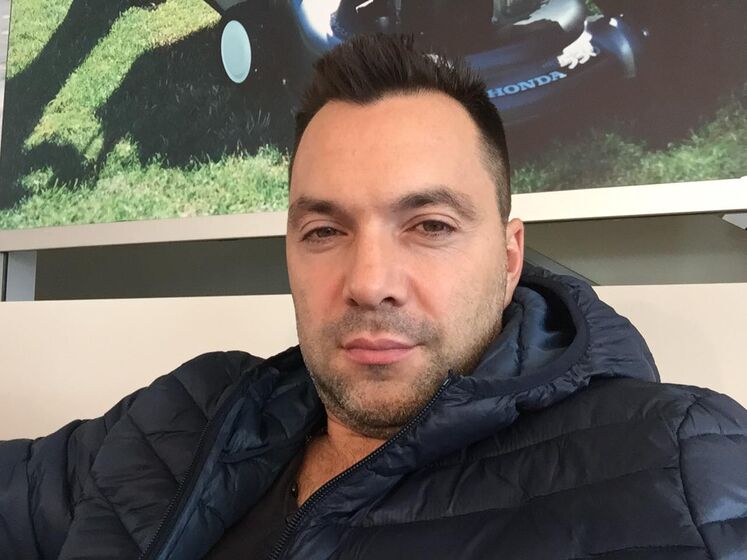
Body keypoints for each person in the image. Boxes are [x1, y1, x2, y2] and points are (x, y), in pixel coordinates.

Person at [2, 34, 746, 560]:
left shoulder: (678, 464)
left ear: (508, 256)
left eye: (429, 226)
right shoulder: (188, 411)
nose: (368, 283)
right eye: (325, 231)